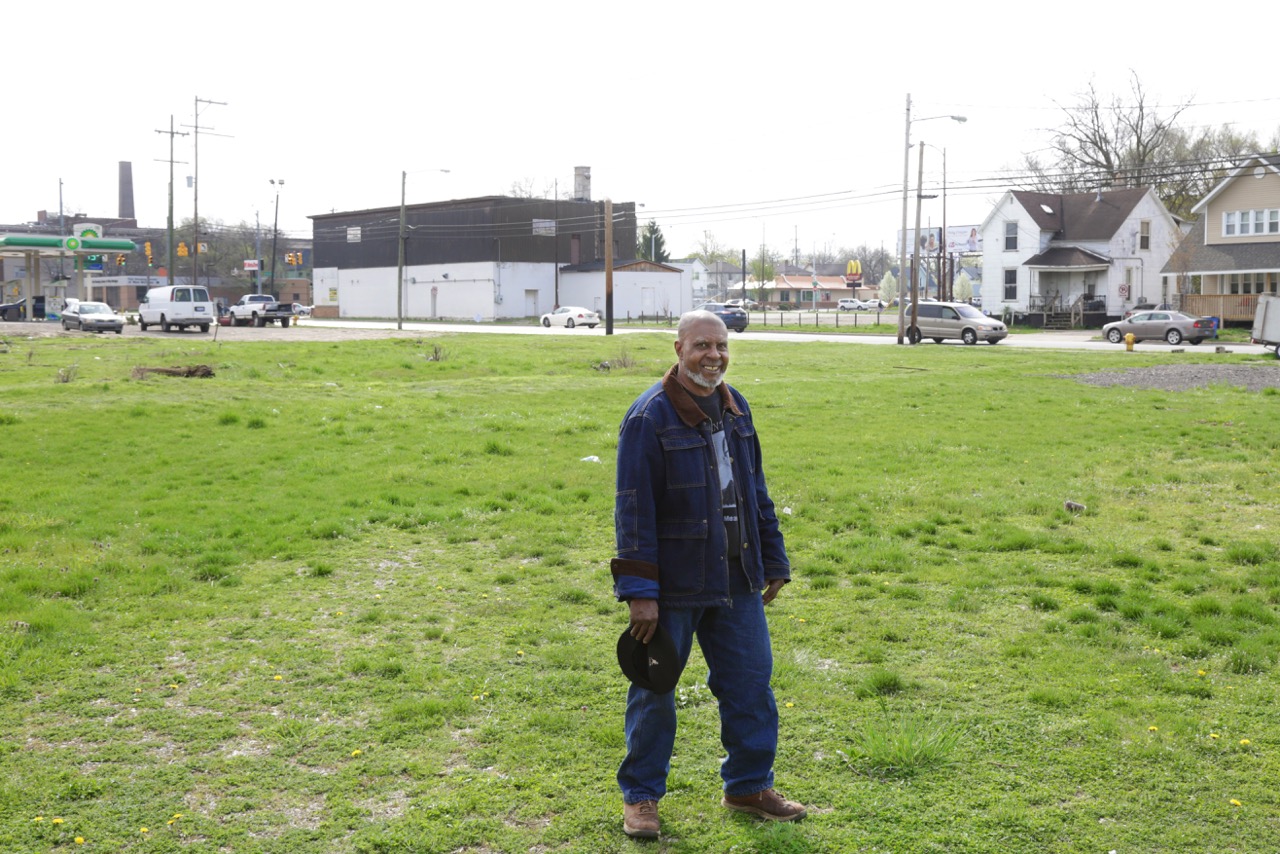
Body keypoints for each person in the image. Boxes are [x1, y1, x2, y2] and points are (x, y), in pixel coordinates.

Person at [611, 309, 806, 839]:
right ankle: (642, 797)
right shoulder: (648, 417)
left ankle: (748, 785)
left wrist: (774, 557)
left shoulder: (735, 405)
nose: (713, 356)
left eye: (720, 346)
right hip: (672, 586)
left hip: (738, 575)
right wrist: (640, 593)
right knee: (654, 690)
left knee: (750, 686)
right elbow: (633, 510)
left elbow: (754, 490)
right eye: (701, 346)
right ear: (678, 350)